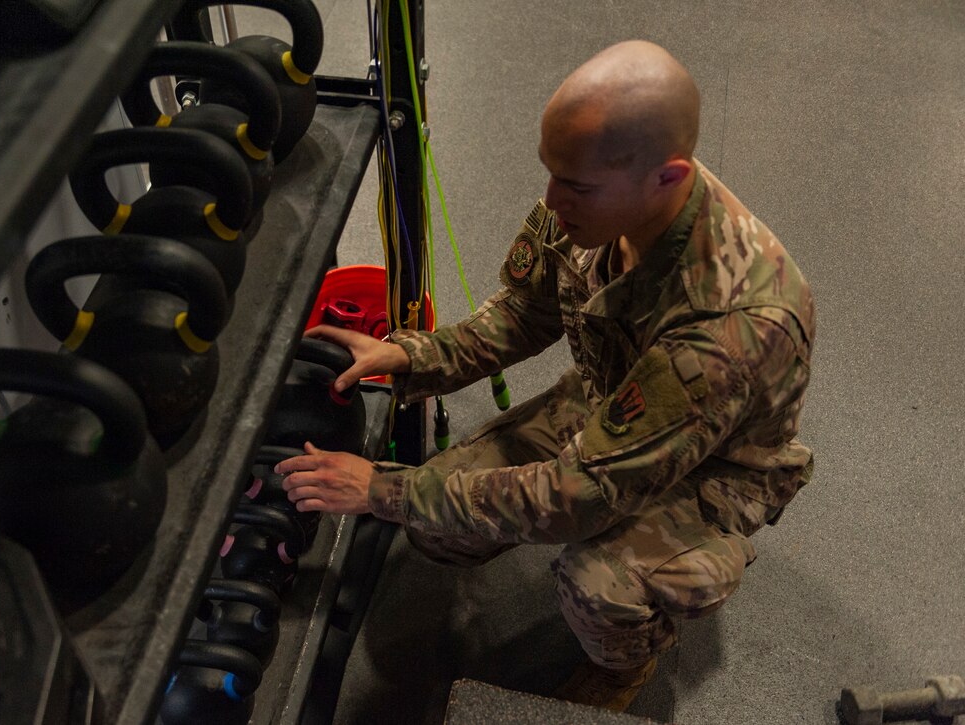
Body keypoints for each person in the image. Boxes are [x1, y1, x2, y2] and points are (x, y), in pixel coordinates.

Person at [276, 39, 815, 711]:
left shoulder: (730, 325)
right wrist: (413, 356)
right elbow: (522, 315)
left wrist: (382, 488)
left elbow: (579, 495)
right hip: (617, 400)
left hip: (716, 467)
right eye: (551, 174)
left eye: (576, 186)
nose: (553, 201)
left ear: (668, 178)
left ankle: (629, 659)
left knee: (597, 584)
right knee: (441, 520)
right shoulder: (592, 204)